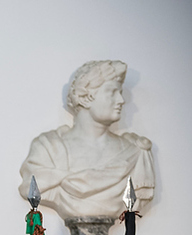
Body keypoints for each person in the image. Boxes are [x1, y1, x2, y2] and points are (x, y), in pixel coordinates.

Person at [18, 59, 154, 219]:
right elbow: (30, 185)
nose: (121, 101)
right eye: (112, 92)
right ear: (84, 98)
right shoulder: (48, 148)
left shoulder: (135, 151)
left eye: (121, 93)